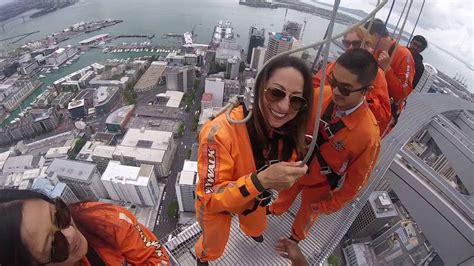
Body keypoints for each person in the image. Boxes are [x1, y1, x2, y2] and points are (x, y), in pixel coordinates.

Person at [194, 56, 313, 265]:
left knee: (257, 225)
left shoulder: (287, 131)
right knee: (213, 245)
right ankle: (202, 258)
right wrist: (261, 181)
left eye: (296, 100)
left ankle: (252, 232)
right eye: (276, 93)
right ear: (260, 88)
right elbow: (211, 199)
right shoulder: (219, 133)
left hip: (254, 197)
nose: (285, 107)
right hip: (219, 203)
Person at [268, 49, 381, 242]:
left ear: (366, 91)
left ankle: (296, 238)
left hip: (320, 184)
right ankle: (275, 210)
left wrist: (328, 206)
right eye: (334, 81)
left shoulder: (368, 136)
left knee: (307, 216)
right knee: (283, 196)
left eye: (345, 88)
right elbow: (291, 126)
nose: (336, 91)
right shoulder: (321, 96)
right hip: (294, 167)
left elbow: (355, 183)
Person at [0, 189, 169, 266]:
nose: (71, 233)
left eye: (60, 215)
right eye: (56, 245)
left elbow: (154, 256)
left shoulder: (105, 220)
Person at [314, 26, 391, 136]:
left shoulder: (375, 74)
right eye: (346, 43)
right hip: (324, 117)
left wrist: (362, 93)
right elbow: (315, 85)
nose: (350, 48)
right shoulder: (336, 65)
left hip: (350, 130)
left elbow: (383, 116)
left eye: (356, 44)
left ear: (367, 45)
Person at [364, 18, 415, 128]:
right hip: (369, 103)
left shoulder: (403, 55)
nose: (366, 41)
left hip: (383, 112)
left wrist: (387, 68)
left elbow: (403, 92)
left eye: (368, 37)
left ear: (377, 35)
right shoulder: (375, 50)